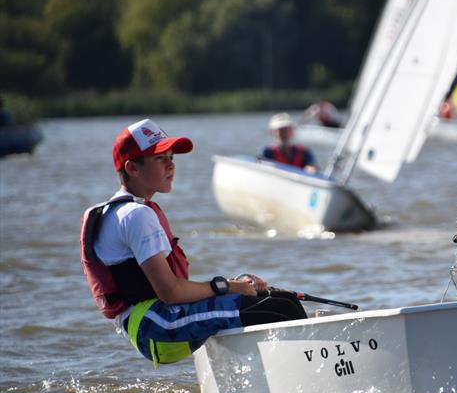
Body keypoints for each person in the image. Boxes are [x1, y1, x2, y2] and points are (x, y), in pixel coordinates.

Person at [80, 118, 307, 367]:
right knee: (281, 310)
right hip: (157, 326)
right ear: (132, 168)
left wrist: (236, 286)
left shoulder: (120, 211)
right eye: (160, 159)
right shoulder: (136, 215)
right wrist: (227, 287)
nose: (171, 166)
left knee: (278, 301)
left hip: (149, 324)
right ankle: (299, 377)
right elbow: (171, 292)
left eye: (172, 158)